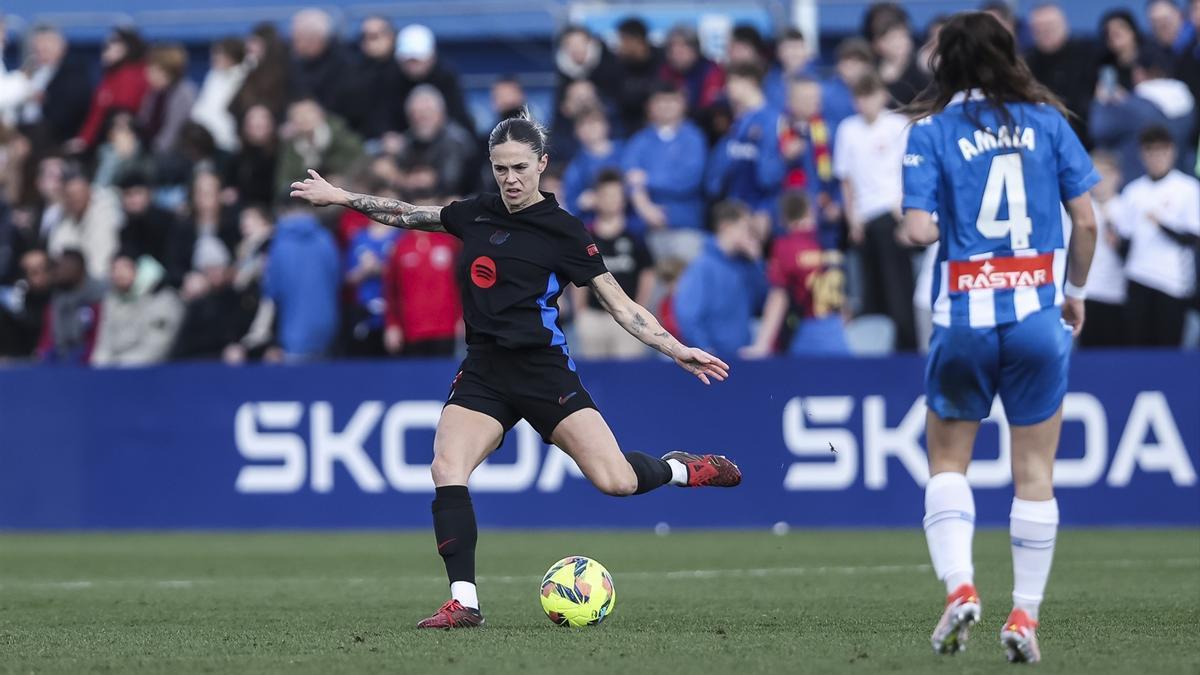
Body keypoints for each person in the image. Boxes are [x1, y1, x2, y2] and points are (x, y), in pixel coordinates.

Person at [289, 109, 738, 629]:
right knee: (445, 468)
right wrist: (343, 197)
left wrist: (676, 348)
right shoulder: (476, 213)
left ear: (542, 165)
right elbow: (409, 214)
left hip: (543, 371)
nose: (511, 179)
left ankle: (682, 468)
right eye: (501, 169)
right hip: (484, 370)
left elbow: (620, 305)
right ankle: (465, 601)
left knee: (616, 482)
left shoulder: (565, 231)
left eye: (521, 168)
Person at [899, 12, 1100, 664]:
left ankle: (960, 585)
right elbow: (1088, 221)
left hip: (964, 317)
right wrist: (1075, 291)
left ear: (944, 63)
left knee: (948, 462)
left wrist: (927, 229)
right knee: (1035, 471)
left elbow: (917, 228)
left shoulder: (928, 132)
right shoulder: (1049, 122)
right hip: (1039, 314)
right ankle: (1025, 614)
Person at [834, 73, 915, 349]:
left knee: (898, 290)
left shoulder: (897, 125)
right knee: (869, 291)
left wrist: (903, 210)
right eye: (861, 96)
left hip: (891, 215)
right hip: (864, 219)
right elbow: (846, 179)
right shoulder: (848, 129)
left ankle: (904, 346)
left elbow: (910, 169)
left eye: (871, 95)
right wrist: (852, 219)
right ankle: (874, 350)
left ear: (882, 95)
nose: (866, 102)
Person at [1111, 125, 1200, 346]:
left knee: (1168, 349)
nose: (1156, 157)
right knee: (1137, 347)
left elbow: (1192, 238)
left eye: (1162, 151)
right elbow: (1125, 241)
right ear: (1142, 154)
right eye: (1150, 151)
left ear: (1172, 152)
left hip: (1172, 282)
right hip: (1138, 278)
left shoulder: (1188, 188)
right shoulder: (1133, 191)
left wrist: (1162, 224)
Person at [743, 191, 847, 357]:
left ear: (783, 217)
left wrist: (762, 344)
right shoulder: (828, 241)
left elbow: (778, 296)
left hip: (809, 331)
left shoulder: (785, 246)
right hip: (837, 332)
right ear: (809, 211)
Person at [570, 169, 654, 359]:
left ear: (624, 200)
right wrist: (580, 313)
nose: (612, 200)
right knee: (592, 381)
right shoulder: (586, 236)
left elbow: (647, 274)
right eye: (606, 195)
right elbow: (578, 277)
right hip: (593, 317)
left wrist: (639, 309)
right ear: (596, 198)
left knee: (628, 379)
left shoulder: (635, 237)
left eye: (617, 195)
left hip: (629, 318)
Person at [621, 83, 708, 261]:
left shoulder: (694, 138)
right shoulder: (640, 141)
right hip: (645, 231)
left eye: (671, 100)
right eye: (660, 101)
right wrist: (645, 208)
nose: (666, 106)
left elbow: (689, 179)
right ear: (650, 106)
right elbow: (629, 178)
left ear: (682, 104)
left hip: (686, 228)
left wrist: (648, 178)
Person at [672, 200, 768, 355]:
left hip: (742, 355)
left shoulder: (746, 265)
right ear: (725, 227)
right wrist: (705, 350)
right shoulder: (702, 266)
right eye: (745, 228)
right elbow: (687, 314)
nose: (750, 235)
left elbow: (763, 303)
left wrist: (757, 261)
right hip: (713, 360)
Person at [1090, 49, 1196, 185]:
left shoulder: (1134, 107)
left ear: (1139, 72)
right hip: (1182, 185)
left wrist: (1101, 101)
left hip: (1136, 187)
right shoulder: (1188, 103)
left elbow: (1098, 129)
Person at [705, 62, 785, 238]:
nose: (727, 88)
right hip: (735, 209)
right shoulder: (739, 121)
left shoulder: (773, 120)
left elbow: (771, 175)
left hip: (759, 212)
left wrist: (766, 209)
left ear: (749, 82)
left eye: (732, 82)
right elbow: (724, 166)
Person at [262, 196, 340, 361]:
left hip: (292, 334)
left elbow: (271, 291)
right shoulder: (325, 238)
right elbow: (336, 278)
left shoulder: (279, 244)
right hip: (328, 330)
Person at [1025, 3, 1100, 146]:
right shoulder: (1026, 63)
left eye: (1049, 26)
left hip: (1083, 129)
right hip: (1041, 132)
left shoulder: (1088, 54)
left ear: (1063, 25)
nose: (1045, 32)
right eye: (1038, 29)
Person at [91, 254, 183, 367]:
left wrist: (117, 367)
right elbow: (104, 343)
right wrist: (98, 370)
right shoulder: (111, 300)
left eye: (125, 267)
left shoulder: (164, 299)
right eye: (114, 269)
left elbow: (155, 349)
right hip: (113, 371)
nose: (119, 274)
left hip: (150, 374)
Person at [1079, 151, 1129, 347]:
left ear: (1118, 176)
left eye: (1106, 173)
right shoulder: (1079, 209)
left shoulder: (1127, 205)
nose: (1100, 180)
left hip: (1117, 295)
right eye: (1095, 173)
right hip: (1084, 294)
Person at [71, 27, 148, 153]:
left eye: (110, 44)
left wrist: (87, 141)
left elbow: (123, 117)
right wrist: (84, 140)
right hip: (101, 138)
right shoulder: (110, 77)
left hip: (122, 141)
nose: (105, 49)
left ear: (124, 48)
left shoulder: (131, 76)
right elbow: (96, 114)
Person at [392, 24, 474, 136]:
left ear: (431, 57)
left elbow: (458, 117)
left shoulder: (446, 78)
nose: (413, 65)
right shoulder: (391, 79)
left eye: (417, 60)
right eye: (408, 60)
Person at [395, 86, 477, 196]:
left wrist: (429, 180)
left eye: (428, 112)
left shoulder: (456, 139)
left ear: (441, 114)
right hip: (415, 198)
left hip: (456, 197)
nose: (422, 118)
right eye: (417, 113)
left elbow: (452, 180)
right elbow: (398, 172)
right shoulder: (408, 139)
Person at [21, 24, 92, 147]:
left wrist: (43, 100)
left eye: (46, 47)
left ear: (62, 46)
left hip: (55, 136)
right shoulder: (29, 72)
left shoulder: (73, 72)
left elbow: (69, 110)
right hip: (25, 130)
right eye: (37, 49)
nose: (41, 52)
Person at [275, 98, 364, 196]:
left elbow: (360, 159)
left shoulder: (339, 134)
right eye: (297, 114)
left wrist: (343, 179)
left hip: (349, 191)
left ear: (321, 114)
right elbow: (284, 183)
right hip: (309, 199)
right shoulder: (292, 147)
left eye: (308, 112)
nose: (304, 118)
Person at [47, 170, 124, 280]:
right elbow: (56, 253)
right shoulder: (63, 217)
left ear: (89, 192)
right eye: (70, 195)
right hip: (72, 283)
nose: (75, 199)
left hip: (101, 281)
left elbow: (102, 261)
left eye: (78, 194)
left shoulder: (106, 212)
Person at [344, 207, 400, 357]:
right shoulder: (359, 238)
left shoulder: (399, 237)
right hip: (365, 312)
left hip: (393, 313)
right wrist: (363, 271)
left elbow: (405, 276)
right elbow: (348, 279)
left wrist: (381, 269)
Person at [38, 249, 105, 364]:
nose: (58, 271)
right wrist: (43, 355)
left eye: (64, 266)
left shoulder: (97, 298)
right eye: (58, 266)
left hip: (89, 363)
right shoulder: (55, 298)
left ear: (79, 268)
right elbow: (48, 339)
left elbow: (97, 339)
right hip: (59, 359)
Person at [863, 3, 931, 106]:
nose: (900, 43)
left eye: (903, 37)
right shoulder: (871, 70)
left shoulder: (921, 70)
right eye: (892, 38)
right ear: (877, 44)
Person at [190, 37, 249, 153]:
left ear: (233, 56)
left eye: (220, 54)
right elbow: (203, 105)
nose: (215, 58)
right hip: (204, 136)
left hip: (227, 140)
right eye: (214, 54)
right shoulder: (213, 76)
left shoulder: (243, 77)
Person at [137, 44, 198, 156]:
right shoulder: (155, 93)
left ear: (167, 71)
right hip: (151, 149)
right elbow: (143, 122)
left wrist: (147, 155)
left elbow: (172, 135)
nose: (147, 74)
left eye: (152, 70)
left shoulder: (184, 93)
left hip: (173, 154)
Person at [561, 107, 621, 220]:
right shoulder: (576, 166)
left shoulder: (626, 151)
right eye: (583, 125)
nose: (590, 128)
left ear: (606, 125)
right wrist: (581, 202)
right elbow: (571, 203)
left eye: (595, 122)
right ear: (576, 132)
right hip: (592, 225)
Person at [288, 8, 349, 115]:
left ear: (314, 40)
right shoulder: (296, 62)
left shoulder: (343, 65)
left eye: (297, 39)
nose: (293, 44)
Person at [612, 17, 662, 135]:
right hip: (629, 123)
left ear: (637, 40)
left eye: (623, 40)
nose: (620, 45)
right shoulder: (617, 64)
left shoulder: (661, 60)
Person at [659, 25, 724, 115]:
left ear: (695, 50)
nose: (677, 55)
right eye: (672, 51)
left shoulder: (711, 70)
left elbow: (710, 106)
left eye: (682, 50)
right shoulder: (664, 71)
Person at [765, 28, 817, 110]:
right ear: (779, 52)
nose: (794, 53)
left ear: (806, 51)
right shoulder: (768, 82)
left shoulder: (820, 82)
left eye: (798, 48)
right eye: (788, 48)